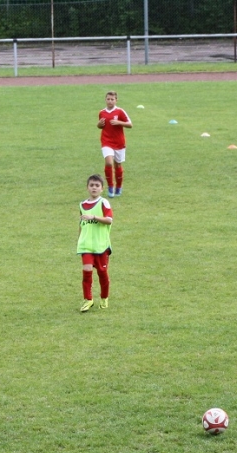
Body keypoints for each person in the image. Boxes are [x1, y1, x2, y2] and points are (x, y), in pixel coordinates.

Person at [76, 174, 114, 312]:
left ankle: (104, 298)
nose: (94, 188)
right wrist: (79, 239)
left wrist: (94, 216)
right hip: (86, 245)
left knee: (102, 273)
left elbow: (109, 220)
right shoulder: (82, 205)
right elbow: (82, 223)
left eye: (97, 185)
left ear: (102, 189)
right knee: (86, 271)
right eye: (91, 185)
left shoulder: (104, 202)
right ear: (87, 187)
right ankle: (88, 299)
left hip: (101, 245)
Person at [97, 91, 132, 198]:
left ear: (116, 100)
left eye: (112, 99)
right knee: (109, 163)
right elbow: (101, 126)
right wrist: (98, 124)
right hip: (106, 142)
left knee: (118, 165)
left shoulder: (120, 112)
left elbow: (130, 124)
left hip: (119, 143)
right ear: (105, 100)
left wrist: (119, 122)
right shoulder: (102, 112)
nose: (110, 101)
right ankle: (110, 187)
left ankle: (119, 187)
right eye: (108, 99)